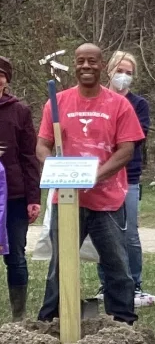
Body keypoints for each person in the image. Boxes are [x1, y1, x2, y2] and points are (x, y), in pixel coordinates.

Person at [36, 44, 144, 324]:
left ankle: (123, 322)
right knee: (60, 263)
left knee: (116, 263)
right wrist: (55, 168)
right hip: (67, 199)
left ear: (101, 65)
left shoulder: (119, 104)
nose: (86, 66)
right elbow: (42, 145)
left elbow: (126, 150)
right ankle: (50, 320)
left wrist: (96, 176)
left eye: (92, 61)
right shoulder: (57, 103)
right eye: (81, 61)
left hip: (108, 199)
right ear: (75, 65)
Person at [95, 51, 155, 308]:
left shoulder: (139, 104)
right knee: (103, 233)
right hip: (100, 177)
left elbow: (135, 138)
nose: (123, 76)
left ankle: (135, 284)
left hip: (128, 177)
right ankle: (106, 283)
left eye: (129, 73)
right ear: (109, 71)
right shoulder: (97, 100)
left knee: (129, 234)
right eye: (119, 71)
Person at [0, 56, 41, 320]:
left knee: (15, 255)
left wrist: (33, 197)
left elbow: (29, 156)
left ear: (7, 80)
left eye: (0, 74)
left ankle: (18, 315)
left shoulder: (20, 111)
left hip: (13, 196)